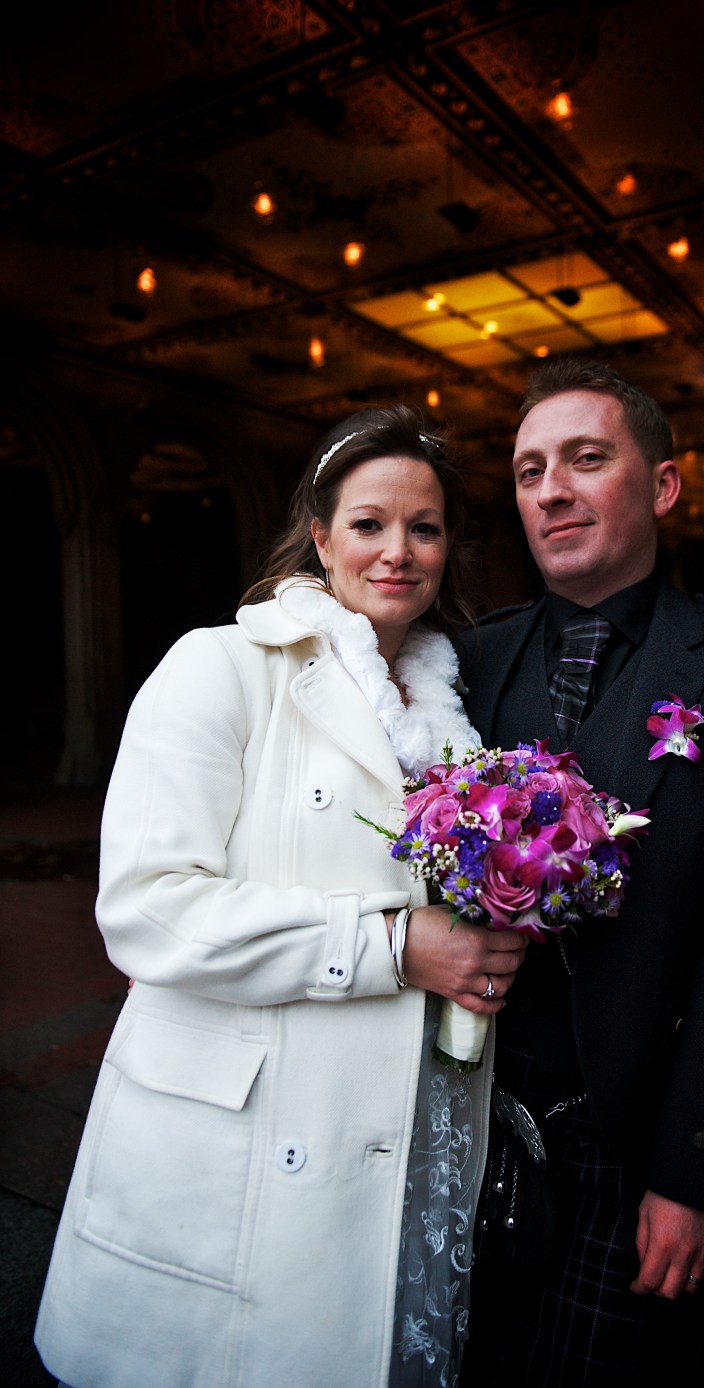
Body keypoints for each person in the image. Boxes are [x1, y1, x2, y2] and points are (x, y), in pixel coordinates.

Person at [34, 405, 527, 1388]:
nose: (398, 551)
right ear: (319, 536)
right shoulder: (220, 666)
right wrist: (392, 944)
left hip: (400, 1129)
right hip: (241, 1153)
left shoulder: (456, 722)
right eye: (369, 523)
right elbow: (147, 907)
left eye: (424, 528)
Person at [458, 358, 704, 1385]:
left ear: (664, 485)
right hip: (465, 1131)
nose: (551, 489)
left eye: (587, 460)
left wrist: (695, 1172)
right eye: (529, 469)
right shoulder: (461, 664)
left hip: (634, 1148)